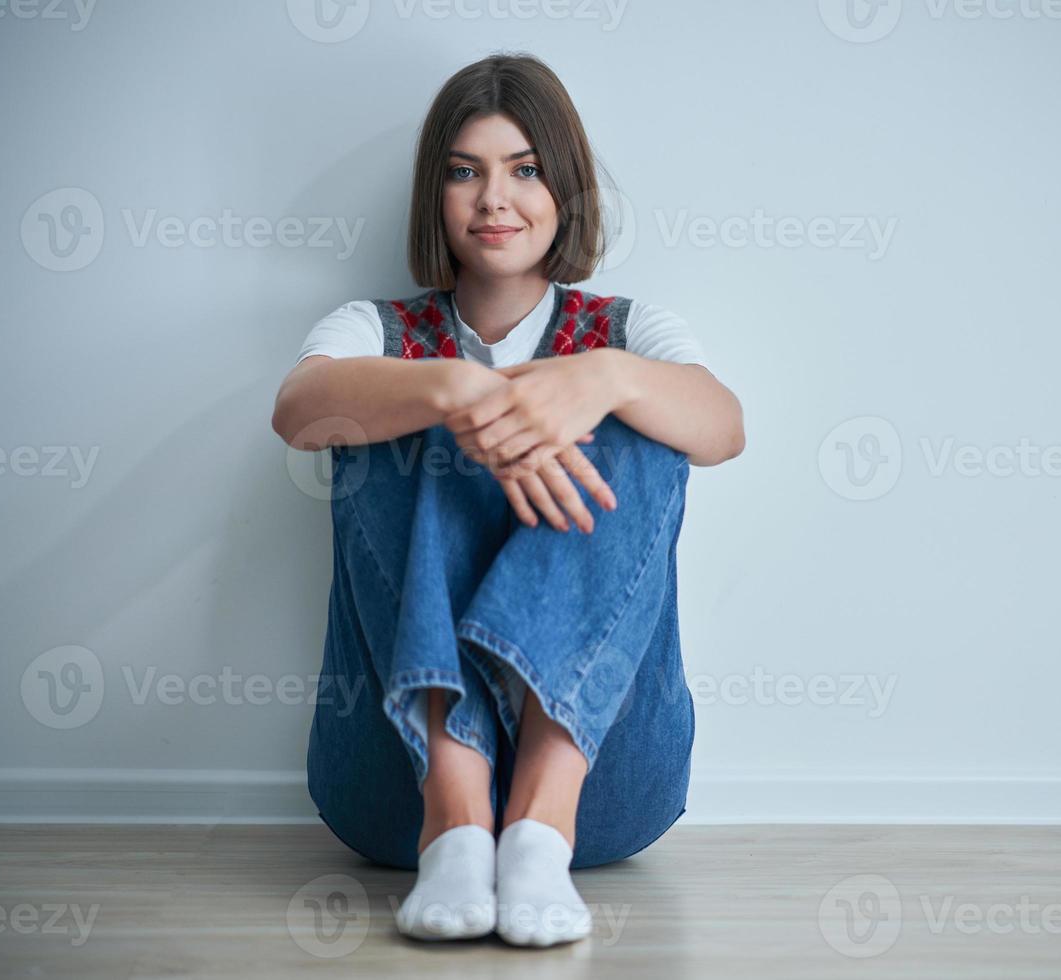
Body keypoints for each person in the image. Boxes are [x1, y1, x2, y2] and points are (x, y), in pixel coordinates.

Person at [270, 51, 745, 948]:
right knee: (383, 405)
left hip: (608, 786)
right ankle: (454, 814)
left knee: (647, 409)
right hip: (392, 791)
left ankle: (538, 826)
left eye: (524, 170)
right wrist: (453, 390)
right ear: (436, 193)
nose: (495, 198)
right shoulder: (375, 328)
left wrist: (601, 377)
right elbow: (297, 412)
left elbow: (724, 428)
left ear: (563, 187)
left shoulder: (625, 328)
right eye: (466, 171)